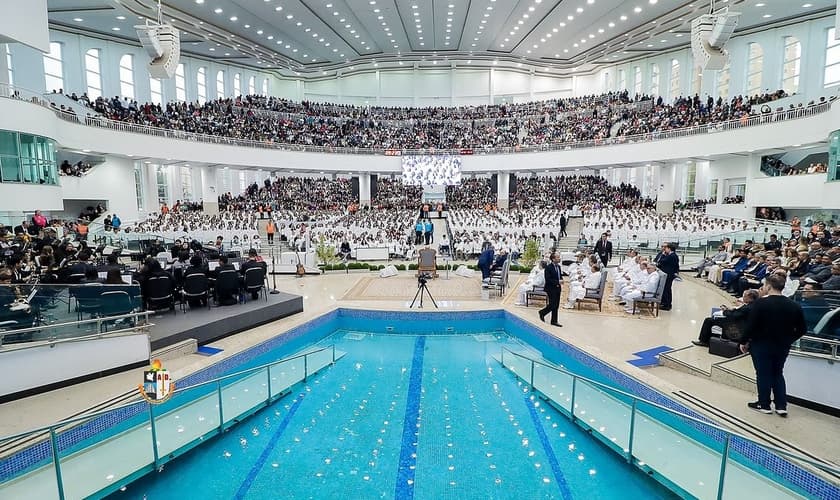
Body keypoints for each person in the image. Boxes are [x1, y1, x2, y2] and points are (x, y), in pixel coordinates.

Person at [739, 274, 806, 416]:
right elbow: (802, 329)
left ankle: (764, 404)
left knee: (763, 374)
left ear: (768, 286)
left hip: (761, 344)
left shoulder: (760, 304)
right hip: (782, 345)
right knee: (777, 373)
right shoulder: (794, 305)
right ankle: (781, 405)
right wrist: (789, 339)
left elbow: (751, 326)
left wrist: (743, 341)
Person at [692, 289, 759, 346]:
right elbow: (738, 313)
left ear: (750, 297)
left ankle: (703, 341)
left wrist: (725, 311)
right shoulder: (753, 305)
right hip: (738, 321)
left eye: (744, 296)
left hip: (735, 324)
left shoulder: (747, 308)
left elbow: (734, 316)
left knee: (709, 320)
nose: (743, 297)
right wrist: (731, 310)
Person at [538, 252, 563, 327]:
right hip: (551, 288)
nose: (559, 258)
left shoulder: (558, 267)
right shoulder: (548, 268)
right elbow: (548, 279)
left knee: (556, 305)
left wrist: (561, 280)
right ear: (553, 259)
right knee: (552, 304)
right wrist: (557, 281)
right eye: (558, 257)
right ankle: (542, 312)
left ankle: (554, 321)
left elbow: (559, 276)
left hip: (558, 288)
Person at [658, 243, 679, 311]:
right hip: (667, 274)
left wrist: (663, 255)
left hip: (669, 275)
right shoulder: (671, 255)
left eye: (666, 248)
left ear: (669, 249)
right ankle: (664, 302)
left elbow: (662, 261)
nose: (665, 250)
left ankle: (667, 304)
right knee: (665, 289)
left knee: (667, 289)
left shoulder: (672, 256)